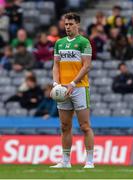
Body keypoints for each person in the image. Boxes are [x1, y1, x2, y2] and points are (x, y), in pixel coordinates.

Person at [50, 12, 94, 168]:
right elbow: (56, 64)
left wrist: (73, 83)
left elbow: (87, 66)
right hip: (63, 89)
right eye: (66, 24)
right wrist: (56, 83)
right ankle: (66, 161)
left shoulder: (84, 42)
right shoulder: (59, 43)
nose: (67, 27)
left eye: (70, 24)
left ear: (78, 24)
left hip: (79, 88)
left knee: (85, 126)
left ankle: (89, 161)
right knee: (64, 126)